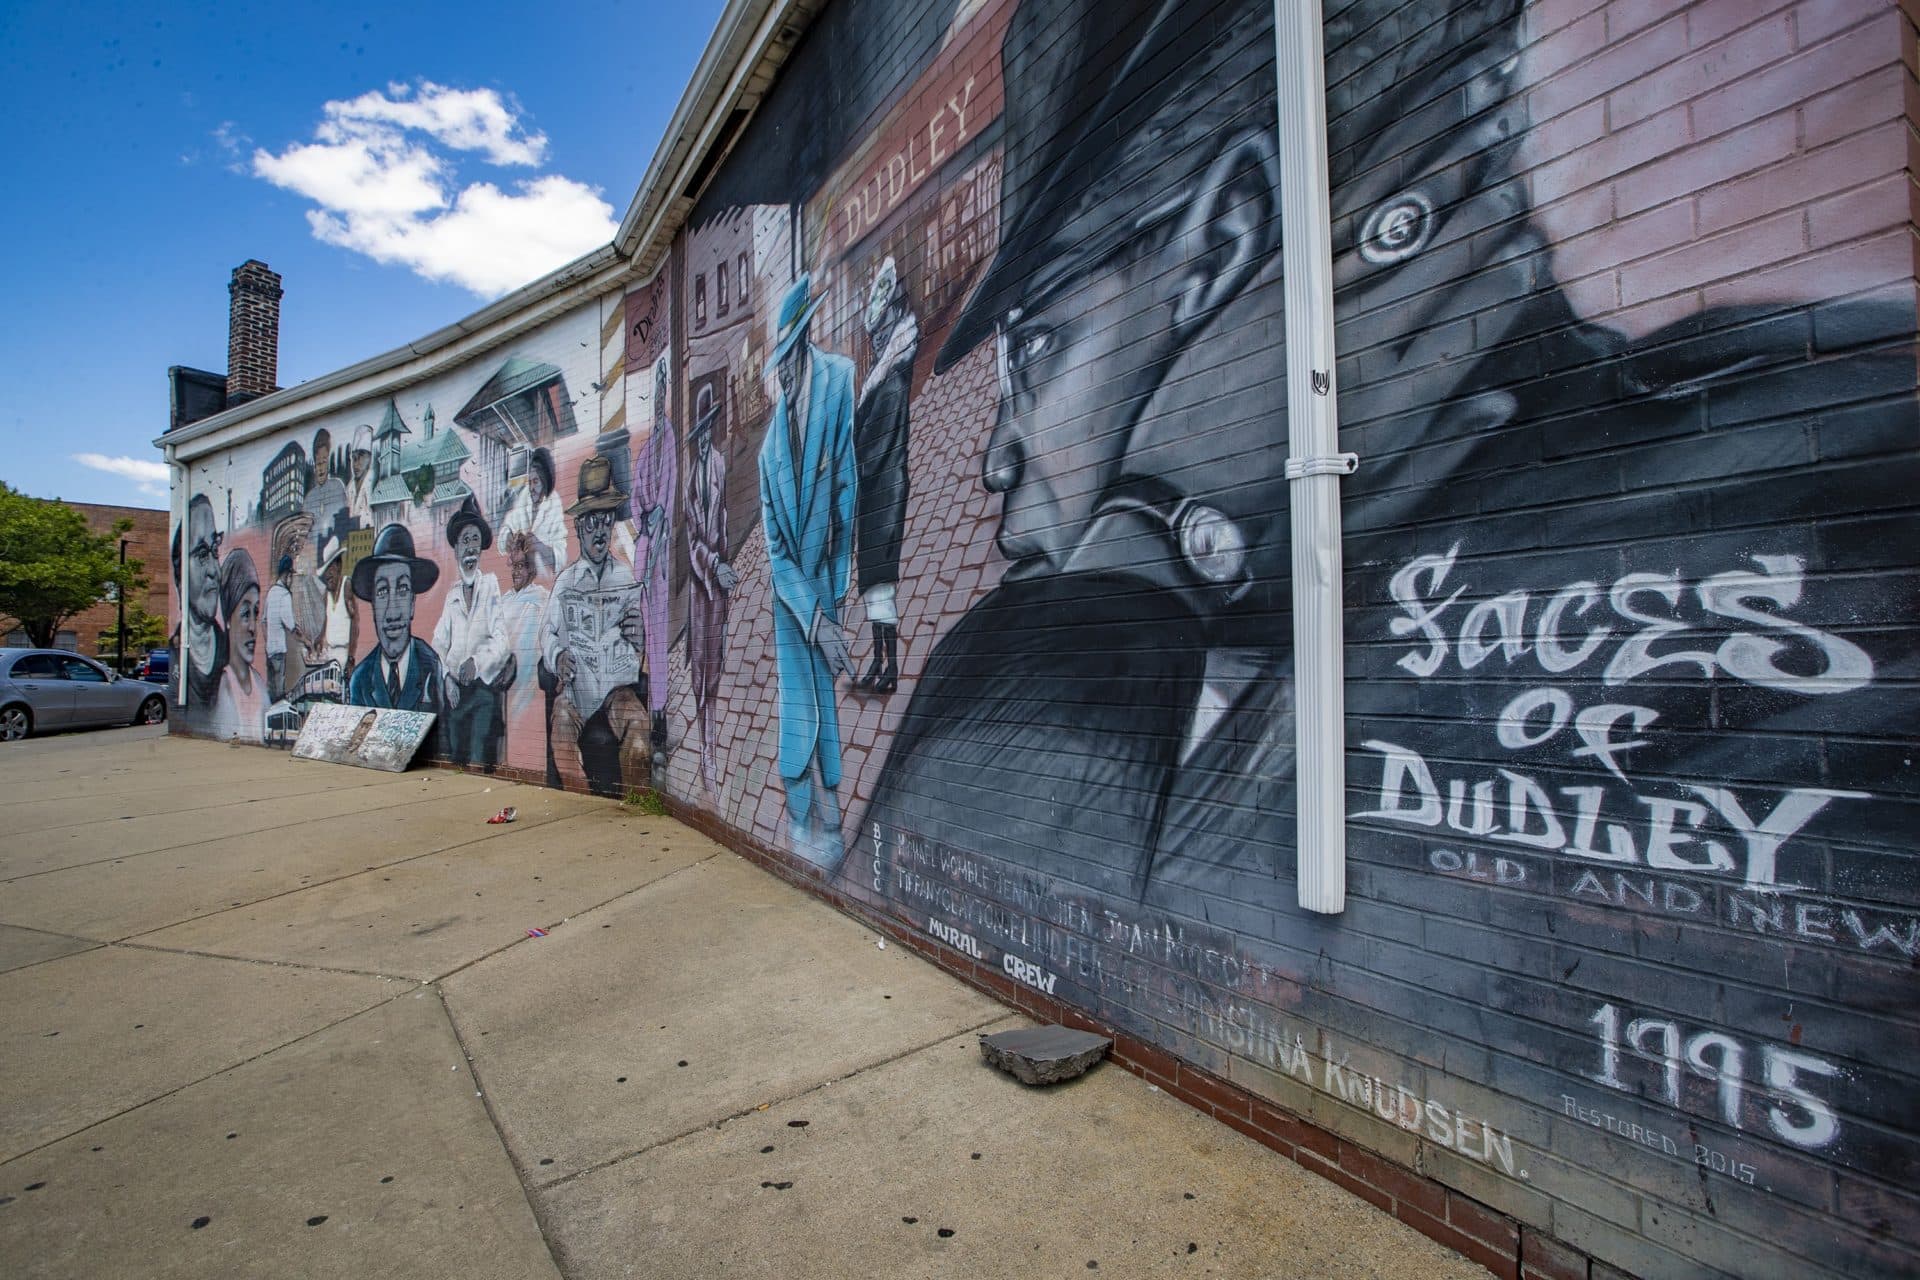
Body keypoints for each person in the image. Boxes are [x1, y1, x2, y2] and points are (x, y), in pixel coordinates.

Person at [863, 0, 1919, 923]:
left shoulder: (1812, 493)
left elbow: (985, 887)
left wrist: (1158, 530)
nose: (999, 456)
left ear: (1225, 242)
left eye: (1039, 349)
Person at [758, 273, 858, 870]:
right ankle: (802, 813)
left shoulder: (839, 380)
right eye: (780, 367)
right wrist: (815, 616)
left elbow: (848, 481)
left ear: (802, 346)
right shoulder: (771, 449)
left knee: (828, 688)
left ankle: (833, 805)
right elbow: (774, 554)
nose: (785, 378)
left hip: (825, 572)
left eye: (789, 361)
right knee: (799, 698)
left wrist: (840, 586)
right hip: (790, 590)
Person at [540, 455, 650, 795]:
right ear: (578, 528)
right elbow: (547, 633)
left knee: (640, 728)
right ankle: (581, 806)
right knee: (560, 728)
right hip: (577, 689)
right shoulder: (566, 581)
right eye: (591, 523)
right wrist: (558, 656)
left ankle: (637, 805)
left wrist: (640, 635)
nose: (599, 531)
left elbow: (644, 643)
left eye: (605, 520)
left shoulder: (626, 576)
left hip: (615, 689)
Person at [852, 256, 916, 695]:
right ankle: (879, 661)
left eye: (879, 332)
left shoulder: (890, 384)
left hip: (883, 496)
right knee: (875, 586)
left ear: (893, 317)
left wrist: (846, 465)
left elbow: (872, 451)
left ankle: (888, 667)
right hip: (878, 498)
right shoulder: (885, 377)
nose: (874, 341)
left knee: (880, 587)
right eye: (871, 334)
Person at [684, 383, 737, 795]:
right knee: (700, 666)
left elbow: (725, 517)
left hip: (718, 584)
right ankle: (705, 748)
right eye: (699, 432)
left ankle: (712, 744)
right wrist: (715, 565)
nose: (704, 438)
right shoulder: (689, 480)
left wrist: (727, 563)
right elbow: (692, 540)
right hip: (702, 584)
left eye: (708, 429)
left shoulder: (719, 464)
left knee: (715, 663)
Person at [432, 495, 511, 767]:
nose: (470, 549)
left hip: (481, 691)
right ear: (456, 549)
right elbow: (438, 644)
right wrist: (446, 679)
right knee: (455, 758)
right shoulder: (452, 596)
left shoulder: (490, 586)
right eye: (465, 541)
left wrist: (476, 663)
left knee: (477, 757)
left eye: (475, 540)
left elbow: (502, 641)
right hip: (455, 696)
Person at [346, 523, 445, 717]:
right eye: (382, 592)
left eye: (402, 589)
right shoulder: (360, 680)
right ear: (373, 605)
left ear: (412, 604)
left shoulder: (430, 666)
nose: (392, 613)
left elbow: (441, 739)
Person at [631, 357, 678, 758]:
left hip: (660, 556)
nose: (659, 397)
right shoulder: (646, 450)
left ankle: (659, 720)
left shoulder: (670, 442)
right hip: (645, 548)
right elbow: (636, 500)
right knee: (640, 637)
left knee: (659, 642)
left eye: (662, 389)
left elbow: (668, 490)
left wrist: (660, 513)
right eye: (656, 390)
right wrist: (644, 518)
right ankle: (643, 715)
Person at [170, 493, 226, 708]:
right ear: (179, 575)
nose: (214, 570)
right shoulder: (176, 659)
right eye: (203, 554)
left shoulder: (228, 649)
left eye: (215, 550)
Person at [498, 531, 551, 730]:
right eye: (514, 566)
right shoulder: (503, 601)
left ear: (531, 569)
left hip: (531, 688)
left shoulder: (542, 600)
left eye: (521, 566)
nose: (515, 572)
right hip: (504, 685)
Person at [213, 548, 262, 736]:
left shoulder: (259, 685)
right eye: (244, 614)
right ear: (227, 618)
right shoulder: (223, 687)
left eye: (255, 613)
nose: (252, 627)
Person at [501, 446, 567, 578]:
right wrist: (509, 538)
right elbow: (507, 527)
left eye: (535, 482)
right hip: (522, 577)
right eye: (529, 482)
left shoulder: (554, 504)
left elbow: (561, 559)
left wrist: (538, 545)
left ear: (545, 481)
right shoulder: (524, 497)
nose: (531, 488)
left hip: (543, 581)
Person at [301, 427, 348, 544]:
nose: (321, 468)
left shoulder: (337, 487)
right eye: (318, 464)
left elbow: (344, 522)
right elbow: (303, 534)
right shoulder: (309, 498)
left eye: (324, 462)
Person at [263, 552, 297, 705]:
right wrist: (307, 641)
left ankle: (269, 723)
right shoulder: (284, 595)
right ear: (287, 574)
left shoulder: (271, 593)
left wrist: (268, 640)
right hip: (279, 651)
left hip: (269, 650)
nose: (292, 580)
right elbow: (291, 625)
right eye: (291, 576)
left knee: (271, 690)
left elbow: (263, 621)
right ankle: (276, 724)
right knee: (279, 693)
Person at [346, 425, 376, 528]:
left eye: (361, 457)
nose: (356, 464)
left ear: (369, 458)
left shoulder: (374, 482)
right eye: (354, 458)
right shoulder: (350, 487)